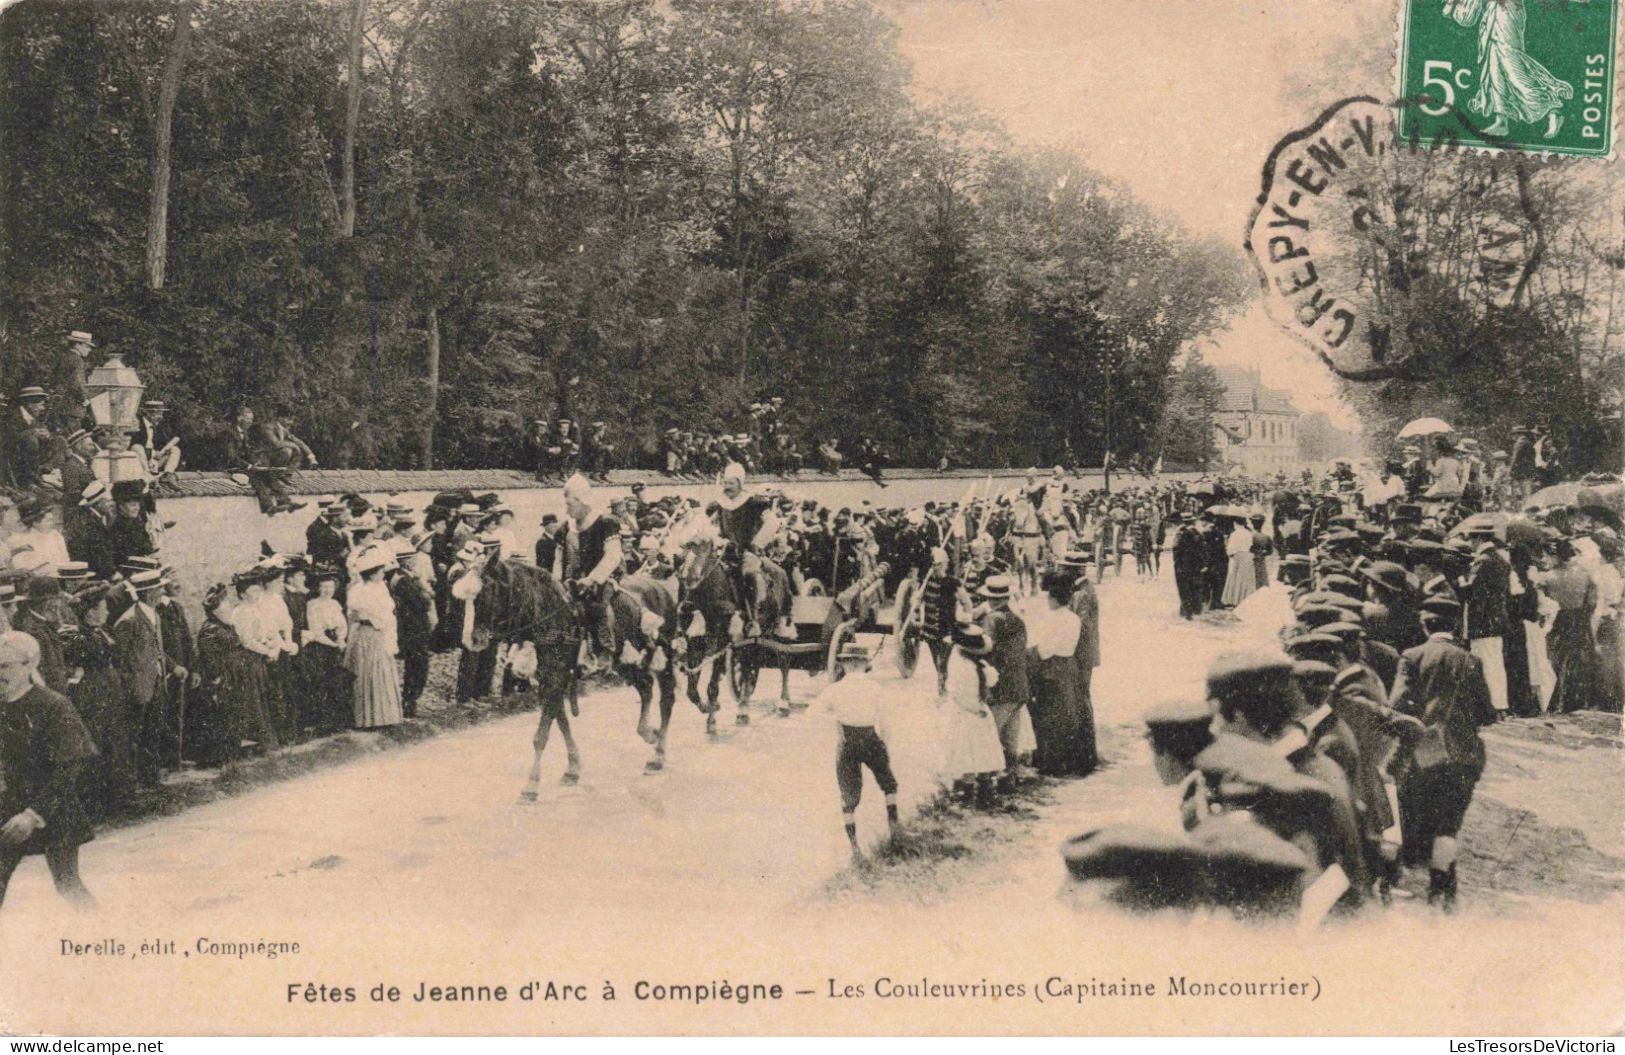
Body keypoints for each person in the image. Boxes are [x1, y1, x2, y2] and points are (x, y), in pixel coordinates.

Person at [1391, 596, 1497, 910]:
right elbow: (1487, 713)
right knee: (1448, 824)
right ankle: (1440, 889)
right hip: (1465, 753)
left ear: (1425, 624)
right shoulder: (1471, 661)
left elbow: (1396, 705)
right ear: (1453, 626)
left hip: (1424, 751)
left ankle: (1398, 882)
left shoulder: (1412, 656)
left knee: (1412, 812)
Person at [0, 631, 99, 911]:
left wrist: (33, 815)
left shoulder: (53, 706)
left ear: (30, 664)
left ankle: (105, 933)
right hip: (7, 810)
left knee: (68, 884)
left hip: (52, 810)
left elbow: (69, 769)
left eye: (4, 667)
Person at [823, 649, 902, 859]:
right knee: (889, 785)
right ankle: (895, 833)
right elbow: (886, 721)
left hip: (847, 741)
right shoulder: (875, 688)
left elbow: (812, 713)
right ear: (863, 664)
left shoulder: (835, 689)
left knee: (848, 797)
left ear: (846, 665)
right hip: (870, 738)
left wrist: (836, 722)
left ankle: (855, 849)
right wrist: (884, 746)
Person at [64, 583, 134, 819]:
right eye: (102, 607)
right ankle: (100, 803)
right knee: (101, 745)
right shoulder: (82, 637)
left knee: (114, 744)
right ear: (91, 611)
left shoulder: (98, 632)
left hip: (109, 695)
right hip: (96, 698)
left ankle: (117, 799)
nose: (106, 612)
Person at [1025, 570, 1084, 777]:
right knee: (1066, 713)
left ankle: (1049, 761)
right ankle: (1067, 759)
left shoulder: (1054, 619)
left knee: (1047, 714)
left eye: (1049, 597)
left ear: (1055, 599)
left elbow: (1045, 649)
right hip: (1068, 665)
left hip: (1051, 668)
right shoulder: (1074, 618)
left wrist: (1031, 654)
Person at [973, 575, 1029, 788]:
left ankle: (986, 785)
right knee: (1010, 739)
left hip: (1001, 688)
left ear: (990, 599)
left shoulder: (992, 620)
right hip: (1019, 686)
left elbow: (986, 648)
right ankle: (1010, 780)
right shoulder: (1017, 620)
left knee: (990, 737)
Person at [346, 547, 402, 729]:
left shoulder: (381, 588)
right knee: (368, 672)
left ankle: (385, 716)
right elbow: (361, 612)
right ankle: (368, 718)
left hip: (380, 633)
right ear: (371, 574)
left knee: (382, 670)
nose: (382, 574)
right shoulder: (360, 591)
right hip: (368, 634)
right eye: (379, 572)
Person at [1544, 539, 1600, 714]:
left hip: (1558, 619)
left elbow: (1545, 602)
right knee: (1576, 660)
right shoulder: (1585, 575)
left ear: (1556, 557)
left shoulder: (1548, 577)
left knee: (1555, 660)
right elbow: (1592, 602)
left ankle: (1553, 701)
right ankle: (1574, 700)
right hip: (1579, 618)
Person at [303, 569, 350, 733]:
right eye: (324, 587)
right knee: (321, 682)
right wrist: (331, 644)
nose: (327, 590)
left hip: (334, 643)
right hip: (321, 645)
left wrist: (341, 639)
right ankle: (322, 723)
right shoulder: (313, 605)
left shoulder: (335, 604)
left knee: (337, 681)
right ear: (318, 588)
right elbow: (315, 630)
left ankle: (337, 721)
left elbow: (342, 624)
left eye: (330, 587)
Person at [391, 548, 436, 719]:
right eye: (412, 559)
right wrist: (426, 592)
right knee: (417, 667)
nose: (415, 562)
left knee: (416, 667)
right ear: (406, 561)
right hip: (413, 629)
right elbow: (422, 603)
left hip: (414, 629)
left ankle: (411, 703)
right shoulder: (404, 580)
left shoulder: (407, 578)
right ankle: (410, 703)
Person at [1220, 515, 1257, 608]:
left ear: (1235, 524)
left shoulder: (1234, 534)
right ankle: (1245, 598)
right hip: (1247, 557)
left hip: (1237, 557)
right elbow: (1251, 546)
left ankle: (1234, 599)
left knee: (1235, 578)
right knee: (1245, 579)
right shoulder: (1249, 533)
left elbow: (1230, 550)